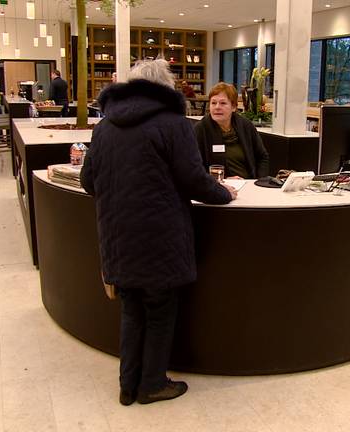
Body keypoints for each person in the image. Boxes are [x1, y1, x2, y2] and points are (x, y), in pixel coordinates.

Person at [80, 59, 237, 406]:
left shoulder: (104, 126)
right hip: (160, 237)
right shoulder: (174, 124)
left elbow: (88, 181)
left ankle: (127, 385)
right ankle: (152, 384)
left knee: (131, 308)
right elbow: (195, 180)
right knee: (161, 310)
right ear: (165, 88)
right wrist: (224, 193)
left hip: (117, 238)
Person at [194, 82, 270, 179]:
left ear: (233, 107)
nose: (217, 107)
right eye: (213, 103)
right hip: (217, 188)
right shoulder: (201, 129)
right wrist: (223, 180)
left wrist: (259, 181)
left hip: (249, 185)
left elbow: (262, 157)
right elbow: (194, 167)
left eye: (223, 103)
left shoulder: (245, 126)